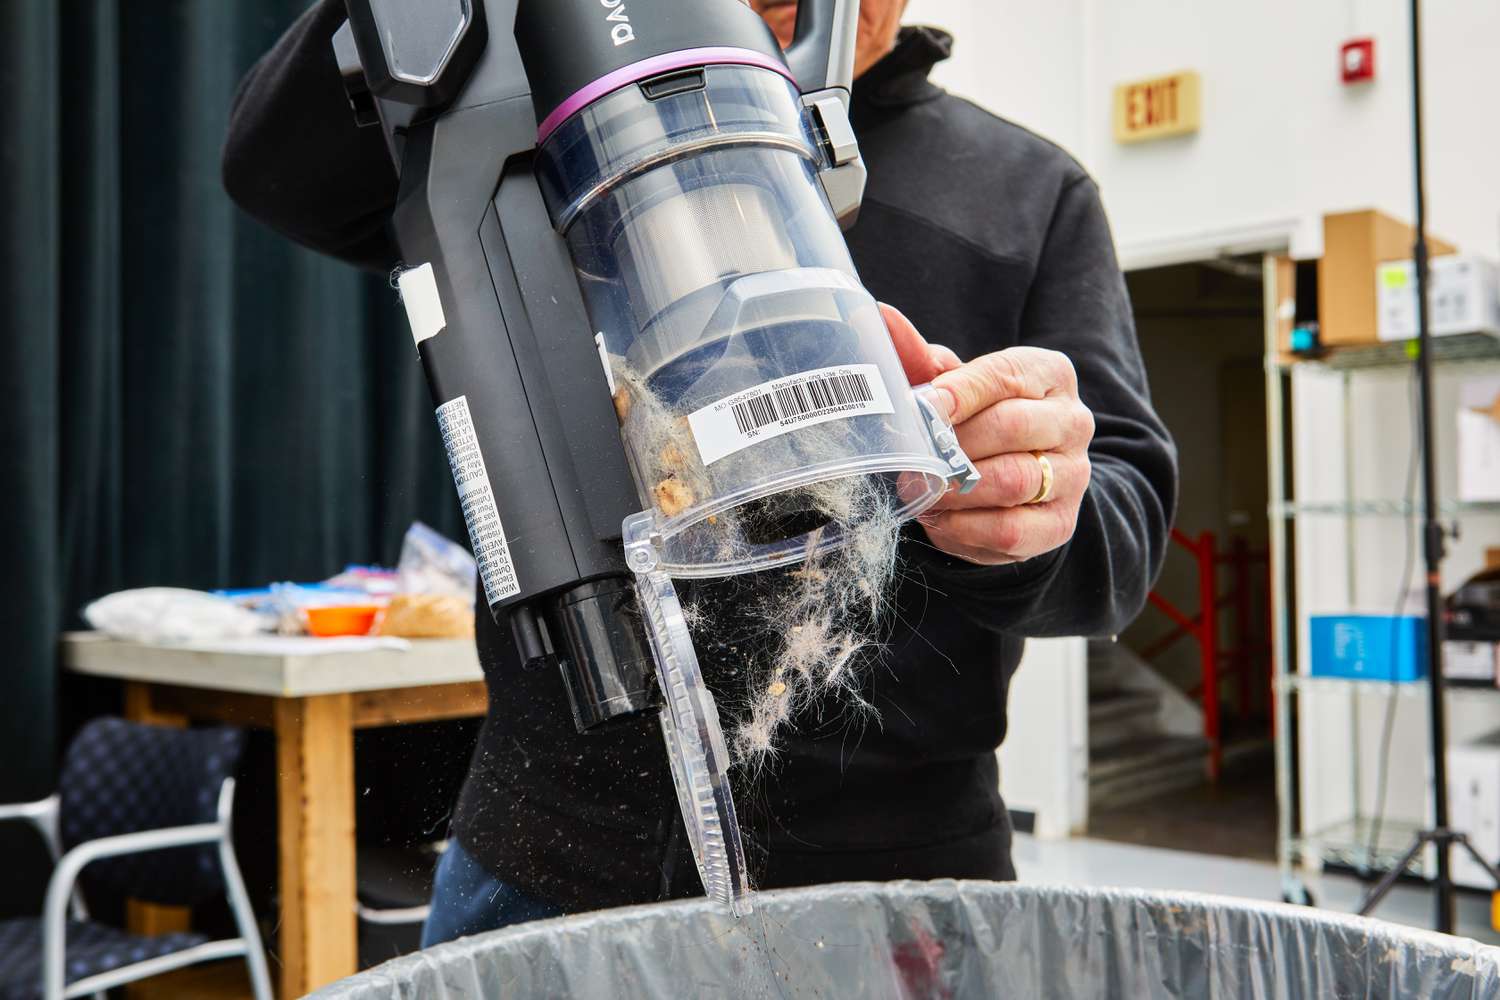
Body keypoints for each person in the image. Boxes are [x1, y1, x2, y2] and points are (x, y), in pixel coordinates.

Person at [222, 0, 1177, 946]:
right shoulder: (542, 122)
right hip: (544, 855)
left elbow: (1123, 526)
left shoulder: (1026, 191)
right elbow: (276, 168)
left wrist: (1029, 497)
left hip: (894, 894)